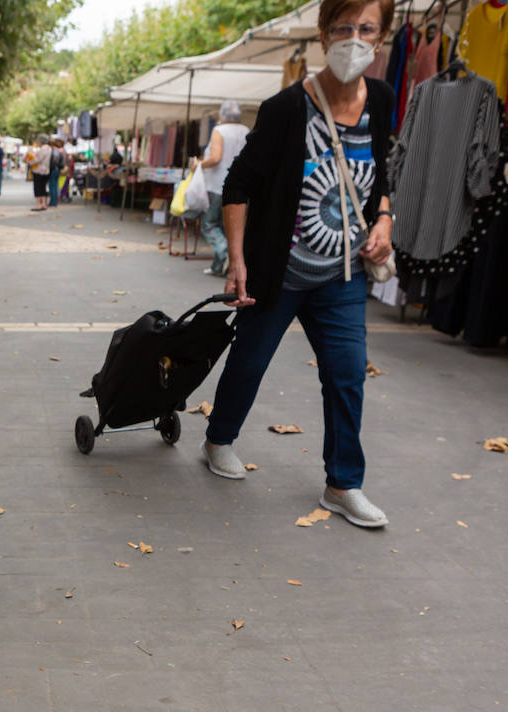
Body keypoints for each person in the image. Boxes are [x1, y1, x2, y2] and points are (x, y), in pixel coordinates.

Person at [201, 0, 396, 529]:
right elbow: (239, 185)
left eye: (367, 28)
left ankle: (343, 484)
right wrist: (237, 259)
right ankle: (218, 439)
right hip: (279, 272)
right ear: (324, 33)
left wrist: (383, 221)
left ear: (382, 37)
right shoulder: (288, 108)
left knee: (347, 375)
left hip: (343, 276)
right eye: (344, 27)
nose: (354, 39)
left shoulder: (381, 99)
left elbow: (381, 179)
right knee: (250, 361)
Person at [198, 100, 250, 277]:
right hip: (241, 186)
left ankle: (224, 253)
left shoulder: (219, 131)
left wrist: (198, 165)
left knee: (209, 224)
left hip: (218, 184)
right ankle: (218, 266)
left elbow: (215, 158)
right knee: (229, 226)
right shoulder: (246, 131)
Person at [30, 135, 52, 211]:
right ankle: (43, 204)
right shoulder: (49, 148)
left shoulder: (43, 149)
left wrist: (30, 162)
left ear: (41, 141)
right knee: (43, 187)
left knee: (38, 187)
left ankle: (38, 204)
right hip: (46, 170)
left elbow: (38, 159)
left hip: (39, 170)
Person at [48, 139, 65, 208]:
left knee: (52, 186)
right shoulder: (59, 151)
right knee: (54, 186)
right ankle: (53, 202)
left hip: (53, 170)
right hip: (57, 170)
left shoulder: (55, 152)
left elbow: (54, 162)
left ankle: (53, 202)